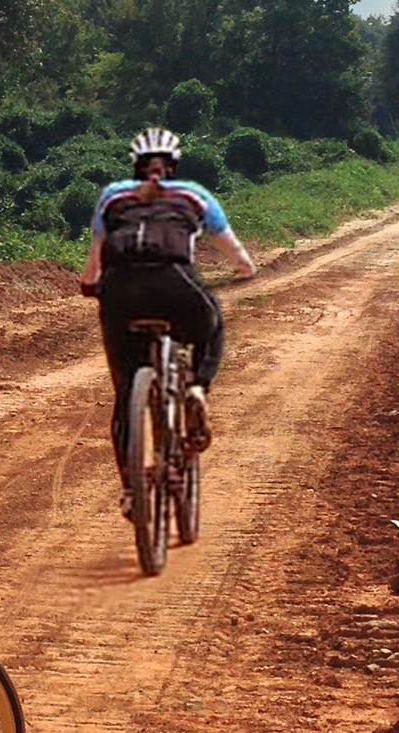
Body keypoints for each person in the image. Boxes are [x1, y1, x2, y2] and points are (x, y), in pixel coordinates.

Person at [79, 128, 255, 520]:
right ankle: (195, 387)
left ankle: (131, 490)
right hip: (176, 288)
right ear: (173, 166)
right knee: (212, 325)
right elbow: (237, 255)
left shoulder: (112, 197)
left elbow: (94, 263)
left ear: (135, 167)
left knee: (125, 397)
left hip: (120, 295)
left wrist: (91, 285)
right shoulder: (194, 195)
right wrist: (243, 270)